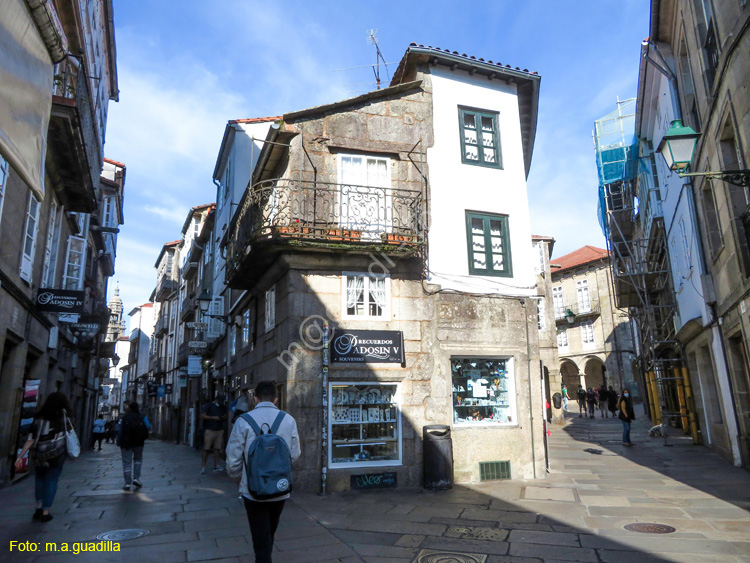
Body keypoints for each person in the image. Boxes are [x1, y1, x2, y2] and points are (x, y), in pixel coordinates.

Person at [226, 381, 300, 563]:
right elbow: (295, 454)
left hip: (252, 490)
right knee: (269, 532)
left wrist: (238, 479)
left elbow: (233, 459)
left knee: (259, 536)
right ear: (276, 399)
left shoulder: (243, 421)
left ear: (255, 398)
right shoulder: (288, 419)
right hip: (280, 489)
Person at [14, 392, 73, 522]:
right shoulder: (64, 417)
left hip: (39, 453)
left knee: (39, 479)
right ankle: (46, 512)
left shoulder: (39, 418)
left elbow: (30, 439)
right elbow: (69, 435)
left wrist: (21, 455)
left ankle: (38, 507)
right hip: (57, 454)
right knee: (52, 480)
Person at [118, 402, 149, 491]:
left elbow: (121, 430)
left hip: (126, 443)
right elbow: (148, 426)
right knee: (138, 460)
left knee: (127, 463)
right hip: (139, 443)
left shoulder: (125, 417)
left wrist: (119, 441)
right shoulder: (143, 416)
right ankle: (136, 478)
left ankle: (127, 483)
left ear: (129, 408)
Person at [201, 392, 227, 474]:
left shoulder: (222, 407)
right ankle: (203, 466)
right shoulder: (208, 406)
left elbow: (225, 415)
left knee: (217, 448)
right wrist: (213, 418)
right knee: (206, 448)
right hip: (209, 429)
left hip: (219, 429)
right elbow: (202, 415)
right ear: (216, 399)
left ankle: (217, 465)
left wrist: (222, 417)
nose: (220, 403)